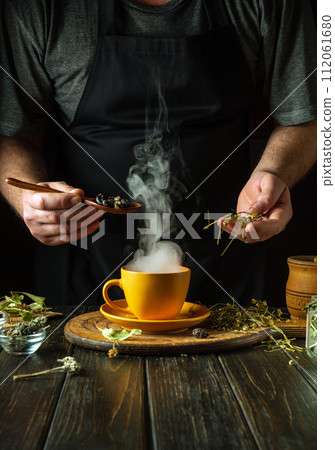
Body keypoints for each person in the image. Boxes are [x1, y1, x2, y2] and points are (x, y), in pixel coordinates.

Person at [0, 0, 316, 306]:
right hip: (82, 272)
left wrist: (274, 172)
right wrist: (30, 197)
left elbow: (309, 117)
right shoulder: (39, 6)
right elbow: (11, 135)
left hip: (226, 265)